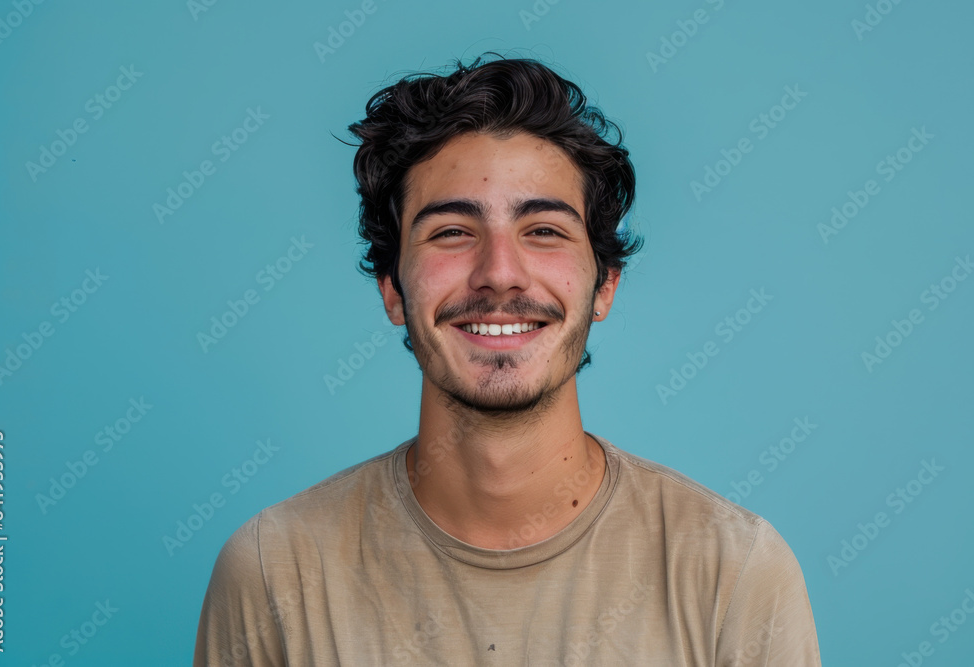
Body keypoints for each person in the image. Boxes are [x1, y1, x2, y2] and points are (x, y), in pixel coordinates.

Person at [194, 54, 822, 666]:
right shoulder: (274, 572)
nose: (499, 273)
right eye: (451, 232)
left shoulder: (734, 572)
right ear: (392, 288)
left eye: (544, 230)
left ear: (604, 286)